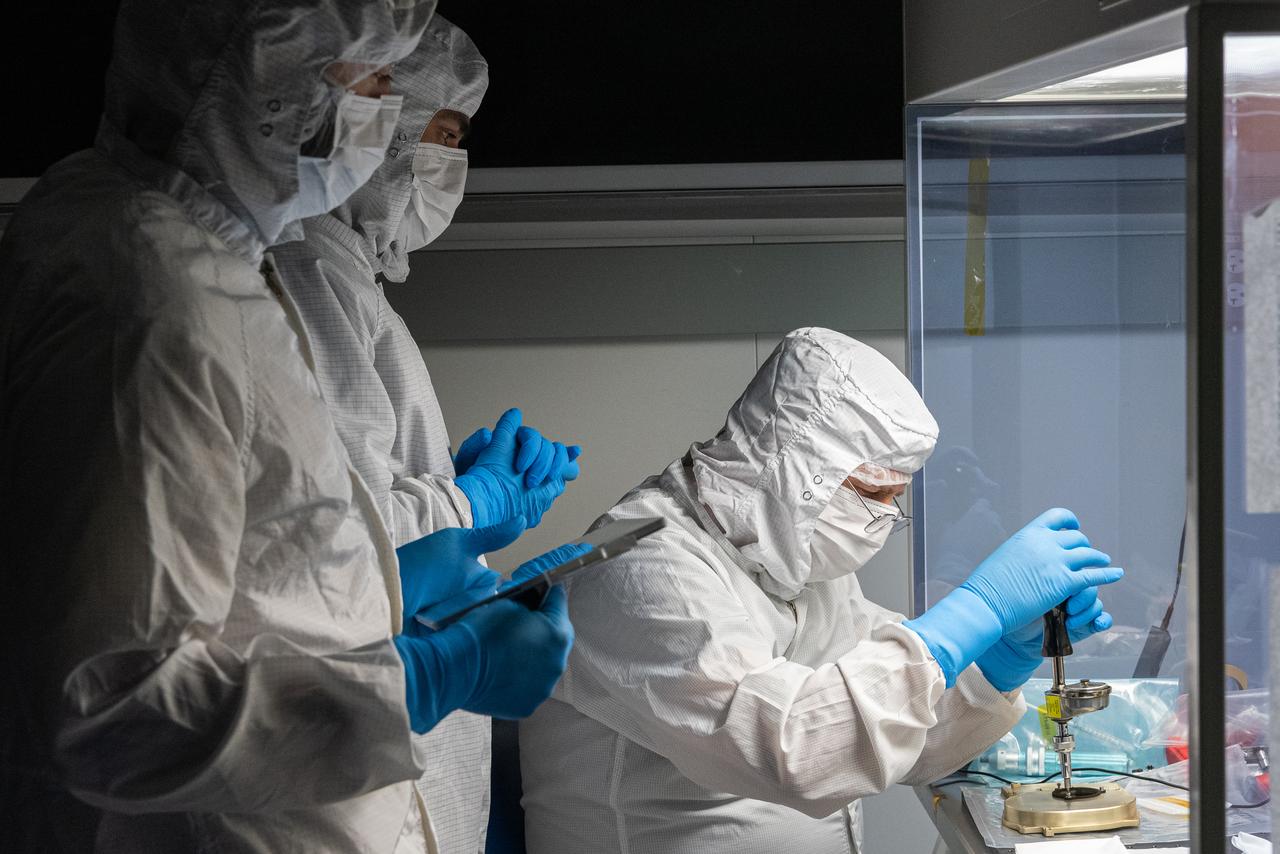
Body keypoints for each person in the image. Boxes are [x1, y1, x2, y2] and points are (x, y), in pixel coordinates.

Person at [0, 1, 575, 851]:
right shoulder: (148, 293)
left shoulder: (195, 255)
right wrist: (436, 673)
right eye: (371, 79)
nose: (386, 112)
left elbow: (261, 560)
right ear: (264, 75)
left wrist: (398, 572)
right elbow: (117, 711)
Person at [520, 327, 1123, 853]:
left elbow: (880, 731)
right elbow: (799, 753)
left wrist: (995, 659)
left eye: (897, 498)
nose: (887, 518)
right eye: (874, 492)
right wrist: (978, 607)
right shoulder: (639, 567)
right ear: (798, 466)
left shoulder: (795, 562)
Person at [269, 17, 581, 852]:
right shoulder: (306, 276)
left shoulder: (351, 281)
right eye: (436, 135)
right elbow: (335, 538)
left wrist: (469, 504)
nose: (448, 167)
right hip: (347, 745)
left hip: (385, 729)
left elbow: (371, 497)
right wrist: (468, 504)